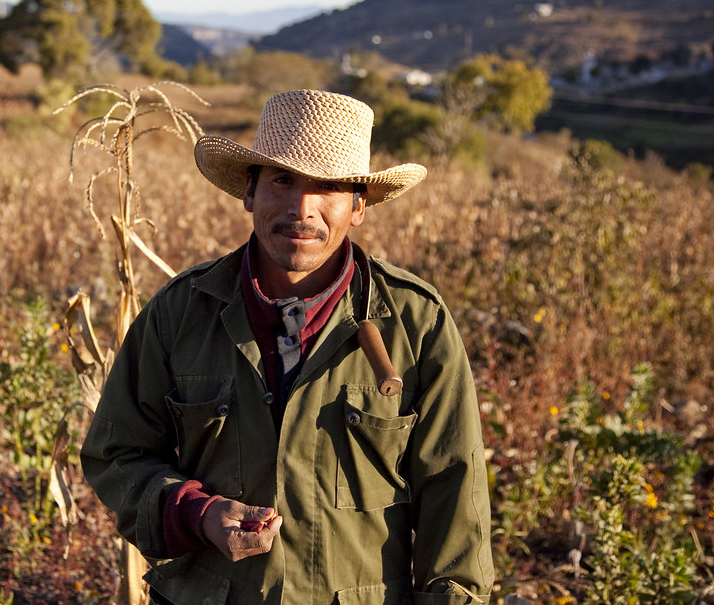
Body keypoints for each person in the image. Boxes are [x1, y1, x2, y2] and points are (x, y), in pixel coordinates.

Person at [81, 89, 494, 604]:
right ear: (249, 192)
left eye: (327, 187)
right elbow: (117, 453)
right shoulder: (181, 312)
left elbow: (454, 492)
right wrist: (199, 515)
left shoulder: (416, 322)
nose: (302, 207)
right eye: (282, 180)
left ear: (358, 206)